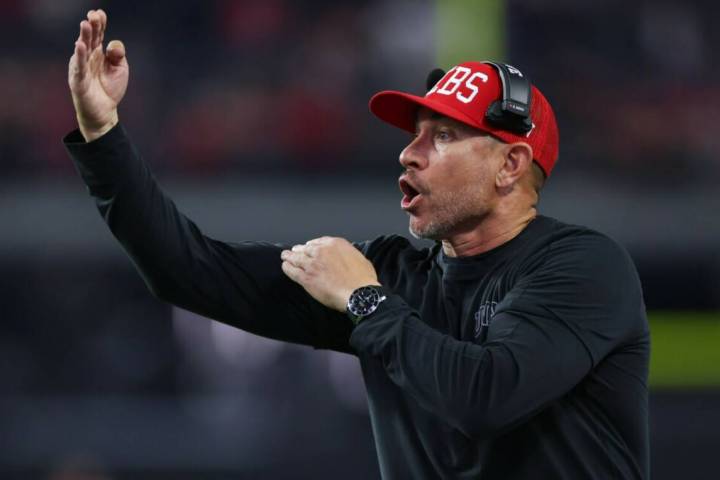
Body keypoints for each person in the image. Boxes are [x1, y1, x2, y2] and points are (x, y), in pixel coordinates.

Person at [64, 9, 650, 480]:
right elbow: (188, 270)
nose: (409, 153)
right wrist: (102, 136)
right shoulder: (386, 274)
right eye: (413, 136)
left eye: (442, 136)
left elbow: (485, 399)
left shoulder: (584, 267)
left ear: (510, 165)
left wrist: (365, 301)